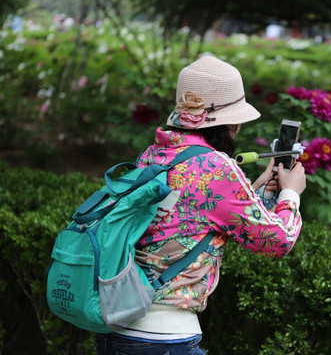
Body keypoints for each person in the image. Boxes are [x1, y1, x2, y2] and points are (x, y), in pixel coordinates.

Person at [95, 55, 306, 354]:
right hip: (165, 337)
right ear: (231, 121)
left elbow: (195, 215)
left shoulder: (153, 154)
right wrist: (291, 194)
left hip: (116, 326)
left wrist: (256, 187)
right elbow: (277, 241)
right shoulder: (217, 167)